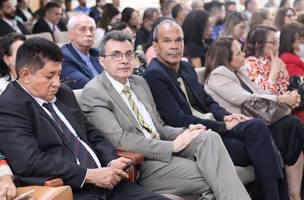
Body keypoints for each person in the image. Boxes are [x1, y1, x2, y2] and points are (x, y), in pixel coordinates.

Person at [79, 30, 251, 200]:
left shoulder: (139, 83)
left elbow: (158, 127)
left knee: (208, 136)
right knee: (218, 177)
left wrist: (184, 132)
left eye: (128, 54)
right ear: (102, 61)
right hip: (142, 163)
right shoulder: (95, 92)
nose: (124, 60)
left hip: (162, 145)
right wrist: (171, 147)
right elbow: (120, 139)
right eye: (116, 55)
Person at [0, 37, 169, 200]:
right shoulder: (10, 105)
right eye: (49, 76)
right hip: (70, 189)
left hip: (107, 182)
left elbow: (92, 134)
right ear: (25, 75)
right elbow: (30, 161)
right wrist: (88, 175)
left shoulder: (63, 93)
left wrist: (111, 161)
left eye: (59, 74)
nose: (57, 83)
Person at [143, 20, 285, 200]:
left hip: (215, 125)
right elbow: (176, 120)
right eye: (167, 41)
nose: (174, 46)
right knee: (264, 147)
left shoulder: (186, 67)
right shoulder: (155, 75)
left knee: (257, 128)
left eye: (178, 40)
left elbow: (207, 101)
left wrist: (227, 117)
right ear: (155, 46)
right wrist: (223, 126)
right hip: (198, 136)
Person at [204, 37, 304, 200]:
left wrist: (285, 98)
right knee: (284, 132)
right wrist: (280, 99)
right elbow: (246, 98)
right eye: (238, 53)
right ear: (225, 58)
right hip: (241, 130)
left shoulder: (240, 71)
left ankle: (291, 192)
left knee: (293, 124)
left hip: (257, 122)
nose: (243, 55)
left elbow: (261, 94)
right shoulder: (218, 75)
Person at [61, 14, 103, 90]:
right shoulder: (64, 57)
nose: (89, 33)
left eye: (91, 29)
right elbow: (87, 86)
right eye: (83, 29)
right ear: (70, 34)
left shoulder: (98, 53)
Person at [279, 22, 304, 122]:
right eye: (299, 40)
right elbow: (300, 91)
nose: (302, 42)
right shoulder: (288, 62)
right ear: (289, 42)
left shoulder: (296, 59)